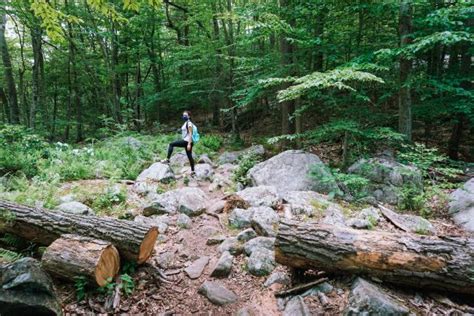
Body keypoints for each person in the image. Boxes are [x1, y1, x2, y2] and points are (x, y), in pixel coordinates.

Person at [162, 110, 195, 176]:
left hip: (187, 141)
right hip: (188, 141)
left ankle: (167, 159)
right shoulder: (186, 123)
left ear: (189, 116)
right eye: (183, 115)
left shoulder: (189, 123)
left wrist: (188, 144)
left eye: (185, 115)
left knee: (171, 144)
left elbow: (191, 133)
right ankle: (193, 171)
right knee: (189, 156)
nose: (184, 116)